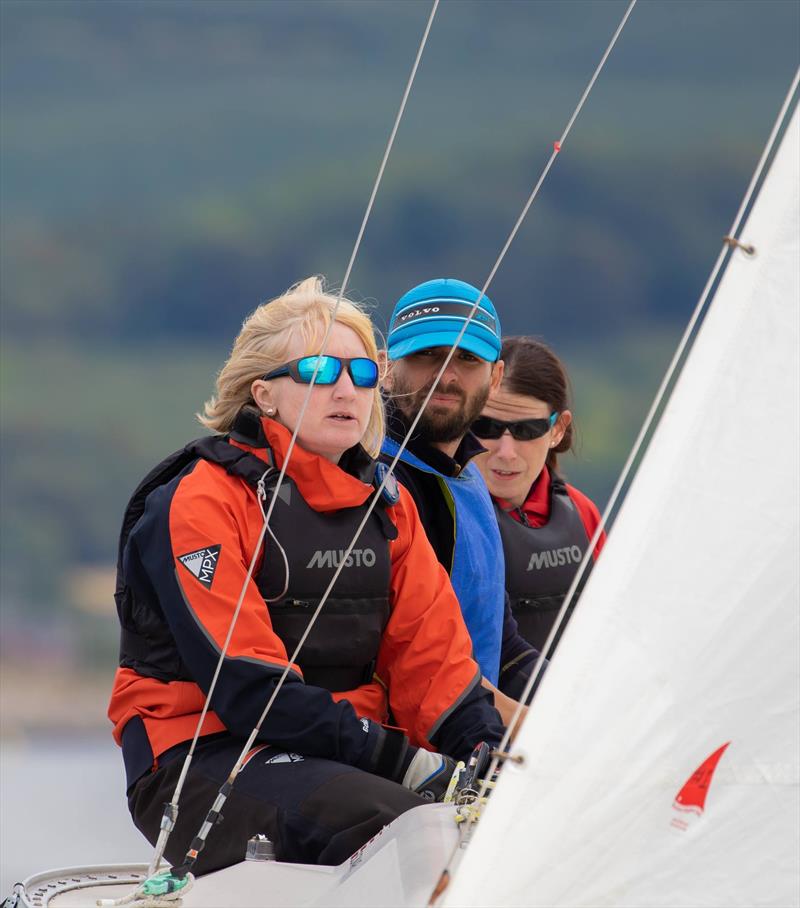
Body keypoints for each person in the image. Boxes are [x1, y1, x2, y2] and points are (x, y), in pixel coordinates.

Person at [108, 276, 504, 876]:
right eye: (320, 371)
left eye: (362, 374)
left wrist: (488, 755)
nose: (347, 388)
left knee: (504, 819)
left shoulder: (389, 508)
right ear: (264, 394)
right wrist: (410, 765)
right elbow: (248, 689)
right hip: (201, 757)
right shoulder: (199, 502)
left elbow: (437, 669)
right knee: (405, 825)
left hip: (345, 758)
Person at [380, 278, 541, 713]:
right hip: (410, 752)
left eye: (467, 359)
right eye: (425, 355)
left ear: (496, 375)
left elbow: (500, 641)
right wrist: (531, 727)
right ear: (385, 366)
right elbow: (404, 663)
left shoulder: (468, 473)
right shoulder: (373, 481)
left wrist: (573, 700)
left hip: (478, 733)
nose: (446, 376)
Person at [472, 335, 606, 655]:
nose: (505, 452)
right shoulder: (437, 514)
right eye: (486, 426)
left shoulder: (581, 512)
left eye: (527, 431)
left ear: (558, 429)